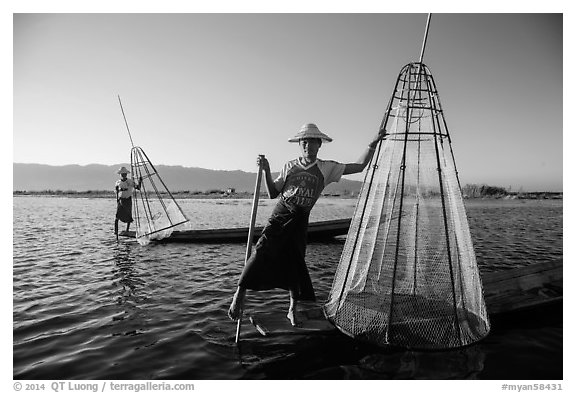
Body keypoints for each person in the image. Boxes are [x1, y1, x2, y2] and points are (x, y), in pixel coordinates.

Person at [228, 123, 385, 326]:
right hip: (281, 214)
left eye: (311, 142)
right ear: (300, 145)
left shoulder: (326, 168)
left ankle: (292, 309)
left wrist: (372, 143)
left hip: (301, 218)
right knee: (261, 251)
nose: (307, 146)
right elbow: (272, 193)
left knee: (296, 261)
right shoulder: (290, 165)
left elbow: (360, 166)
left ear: (319, 144)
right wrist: (266, 171)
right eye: (303, 142)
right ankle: (239, 294)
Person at [114, 166, 142, 240]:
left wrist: (140, 181)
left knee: (128, 215)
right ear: (120, 174)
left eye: (125, 174)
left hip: (128, 200)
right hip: (120, 200)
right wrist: (117, 199)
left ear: (126, 174)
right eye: (122, 174)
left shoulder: (130, 181)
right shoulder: (117, 182)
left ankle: (127, 230)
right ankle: (116, 234)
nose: (123, 175)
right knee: (117, 217)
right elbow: (116, 191)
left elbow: (138, 188)